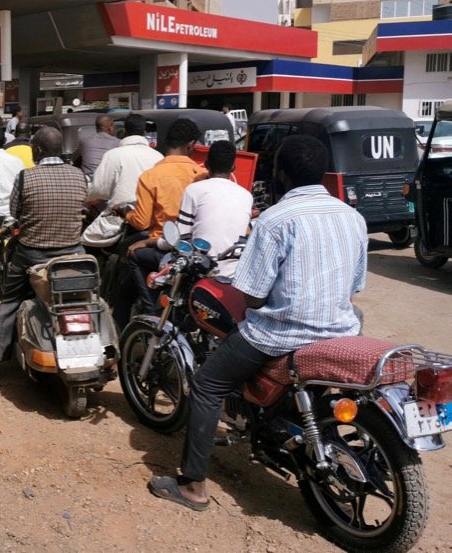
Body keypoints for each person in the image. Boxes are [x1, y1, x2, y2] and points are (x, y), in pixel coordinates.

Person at [148, 135, 367, 512]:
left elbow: (251, 294)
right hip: (342, 329)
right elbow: (355, 285)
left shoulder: (275, 219)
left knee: (207, 384)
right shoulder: (353, 216)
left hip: (280, 334)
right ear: (323, 174)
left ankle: (192, 486)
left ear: (280, 174)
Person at [0, 127, 87, 388]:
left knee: (9, 302)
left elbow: (15, 211)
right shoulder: (79, 175)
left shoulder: (27, 177)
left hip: (31, 254)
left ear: (36, 151)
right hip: (73, 254)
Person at [126, 141, 252, 313]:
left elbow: (178, 240)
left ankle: (152, 313)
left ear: (206, 165)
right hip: (233, 271)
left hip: (201, 268)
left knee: (136, 256)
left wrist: (149, 242)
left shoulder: (194, 189)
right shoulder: (246, 196)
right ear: (234, 167)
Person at [117, 118, 205, 315]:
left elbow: (140, 222)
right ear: (191, 146)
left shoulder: (150, 176)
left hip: (161, 247)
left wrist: (125, 213)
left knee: (130, 254)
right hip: (193, 248)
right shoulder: (201, 174)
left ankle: (151, 315)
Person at [83, 113, 163, 247]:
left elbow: (98, 189)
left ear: (124, 132)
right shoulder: (158, 157)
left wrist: (87, 197)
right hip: (151, 220)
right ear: (144, 133)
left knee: (86, 240)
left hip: (119, 221)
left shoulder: (114, 155)